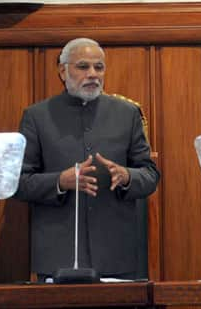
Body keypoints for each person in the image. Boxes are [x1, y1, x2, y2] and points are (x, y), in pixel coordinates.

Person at [14, 37, 159, 280]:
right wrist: (60, 181)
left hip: (117, 255)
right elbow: (17, 182)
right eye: (83, 67)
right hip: (58, 256)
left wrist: (127, 176)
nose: (92, 74)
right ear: (63, 71)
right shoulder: (36, 117)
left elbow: (150, 175)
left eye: (98, 67)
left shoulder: (127, 114)